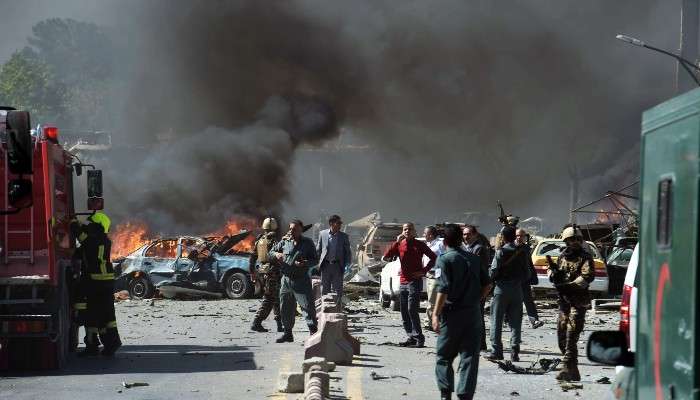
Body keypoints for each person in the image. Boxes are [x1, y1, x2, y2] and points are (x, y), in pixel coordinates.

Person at [433, 224, 491, 400]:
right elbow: (488, 284)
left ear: (445, 241)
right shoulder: (474, 259)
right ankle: (465, 395)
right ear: (460, 239)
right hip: (473, 315)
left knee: (444, 356)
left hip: (452, 315)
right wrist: (476, 300)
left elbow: (442, 289)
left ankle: (445, 394)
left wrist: (435, 314)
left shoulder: (444, 259)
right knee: (469, 357)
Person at [70, 211, 122, 357]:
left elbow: (81, 237)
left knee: (90, 312)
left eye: (90, 225)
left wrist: (73, 223)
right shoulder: (104, 240)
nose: (88, 227)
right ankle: (109, 343)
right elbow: (83, 250)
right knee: (106, 315)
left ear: (96, 227)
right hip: (105, 281)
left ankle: (93, 345)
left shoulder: (92, 240)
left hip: (94, 281)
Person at [549, 225, 594, 381]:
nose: (574, 242)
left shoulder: (585, 257)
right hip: (564, 303)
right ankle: (573, 369)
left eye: (577, 239)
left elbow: (587, 277)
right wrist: (553, 275)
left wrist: (568, 286)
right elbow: (555, 273)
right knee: (561, 336)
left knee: (571, 335)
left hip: (578, 302)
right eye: (571, 240)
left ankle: (566, 367)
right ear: (566, 241)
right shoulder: (562, 256)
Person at [382, 222, 437, 348]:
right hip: (403, 281)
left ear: (414, 231)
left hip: (414, 281)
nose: (407, 231)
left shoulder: (419, 245)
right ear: (402, 231)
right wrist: (396, 242)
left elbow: (434, 257)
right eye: (405, 229)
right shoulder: (400, 244)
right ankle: (411, 337)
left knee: (412, 309)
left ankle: (419, 338)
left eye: (409, 229)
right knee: (404, 311)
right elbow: (386, 257)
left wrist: (423, 271)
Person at [270, 219, 319, 343]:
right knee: (285, 308)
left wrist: (305, 263)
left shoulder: (308, 243)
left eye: (295, 229)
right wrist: (277, 255)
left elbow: (315, 260)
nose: (291, 231)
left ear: (301, 230)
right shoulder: (285, 242)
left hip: (301, 280)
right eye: (290, 228)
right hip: (286, 281)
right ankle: (288, 334)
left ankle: (313, 333)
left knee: (307, 307)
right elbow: (270, 253)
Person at [487, 225, 530, 361]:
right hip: (517, 289)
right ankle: (514, 350)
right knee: (516, 321)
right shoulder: (522, 252)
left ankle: (496, 351)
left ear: (504, 237)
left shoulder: (500, 252)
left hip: (501, 289)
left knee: (496, 320)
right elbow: (527, 273)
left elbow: (493, 272)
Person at [462, 225, 492, 351]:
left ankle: (480, 343)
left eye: (468, 234)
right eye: (464, 234)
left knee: (477, 316)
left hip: (477, 288)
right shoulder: (467, 248)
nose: (466, 237)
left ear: (475, 235)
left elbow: (479, 270)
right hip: (468, 288)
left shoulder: (479, 249)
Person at [250, 217, 282, 333]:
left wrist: (252, 272)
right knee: (269, 299)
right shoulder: (274, 241)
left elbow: (252, 258)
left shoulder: (259, 241)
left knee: (276, 298)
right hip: (272, 273)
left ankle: (279, 324)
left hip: (263, 272)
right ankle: (256, 322)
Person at [316, 214, 352, 303]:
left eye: (340, 223)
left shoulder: (344, 236)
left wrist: (347, 264)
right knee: (324, 288)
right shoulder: (323, 234)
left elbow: (348, 252)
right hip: (325, 266)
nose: (340, 225)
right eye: (338, 223)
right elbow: (318, 249)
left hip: (338, 266)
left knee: (338, 289)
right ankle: (324, 310)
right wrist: (315, 262)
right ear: (331, 223)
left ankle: (338, 308)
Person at [515, 228, 543, 329]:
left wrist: (532, 276)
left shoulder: (526, 248)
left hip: (524, 280)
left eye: (521, 236)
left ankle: (534, 320)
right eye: (517, 236)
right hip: (513, 280)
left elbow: (529, 263)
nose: (519, 238)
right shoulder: (510, 247)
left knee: (528, 301)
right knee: (512, 301)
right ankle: (506, 319)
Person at [424, 225, 445, 330]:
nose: (424, 235)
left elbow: (443, 257)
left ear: (431, 235)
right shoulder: (428, 244)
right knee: (430, 300)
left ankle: (431, 323)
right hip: (428, 275)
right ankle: (432, 321)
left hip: (436, 274)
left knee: (432, 301)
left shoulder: (440, 243)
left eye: (425, 233)